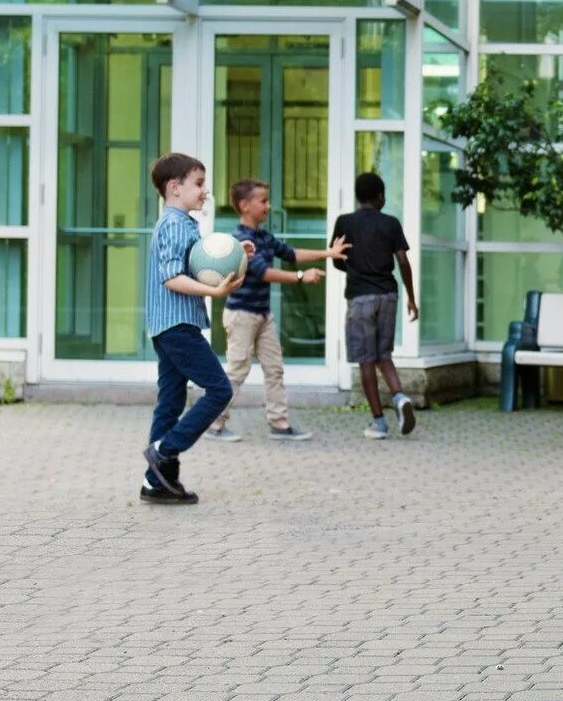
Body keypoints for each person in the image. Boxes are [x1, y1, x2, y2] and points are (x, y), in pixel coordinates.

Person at [140, 152, 248, 506]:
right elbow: (172, 277)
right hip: (176, 326)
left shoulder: (183, 222)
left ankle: (156, 483)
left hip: (171, 324)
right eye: (198, 184)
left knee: (170, 400)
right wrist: (214, 292)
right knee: (219, 389)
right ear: (174, 188)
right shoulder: (173, 224)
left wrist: (235, 253)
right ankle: (164, 450)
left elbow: (198, 262)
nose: (205, 191)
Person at [208, 179, 350, 443]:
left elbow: (291, 253)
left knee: (275, 368)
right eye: (262, 201)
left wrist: (329, 253)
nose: (268, 206)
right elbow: (263, 273)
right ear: (244, 205)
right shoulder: (241, 240)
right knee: (237, 371)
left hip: (262, 315)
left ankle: (279, 424)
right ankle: (215, 424)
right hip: (242, 315)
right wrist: (300, 277)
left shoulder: (264, 236)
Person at [330, 172, 419, 439]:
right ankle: (400, 398)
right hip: (388, 297)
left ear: (358, 197)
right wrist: (412, 298)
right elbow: (403, 261)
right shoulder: (391, 223)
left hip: (360, 298)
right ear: (380, 196)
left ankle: (379, 422)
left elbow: (336, 258)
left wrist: (354, 267)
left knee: (366, 360)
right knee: (383, 355)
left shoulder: (345, 222)